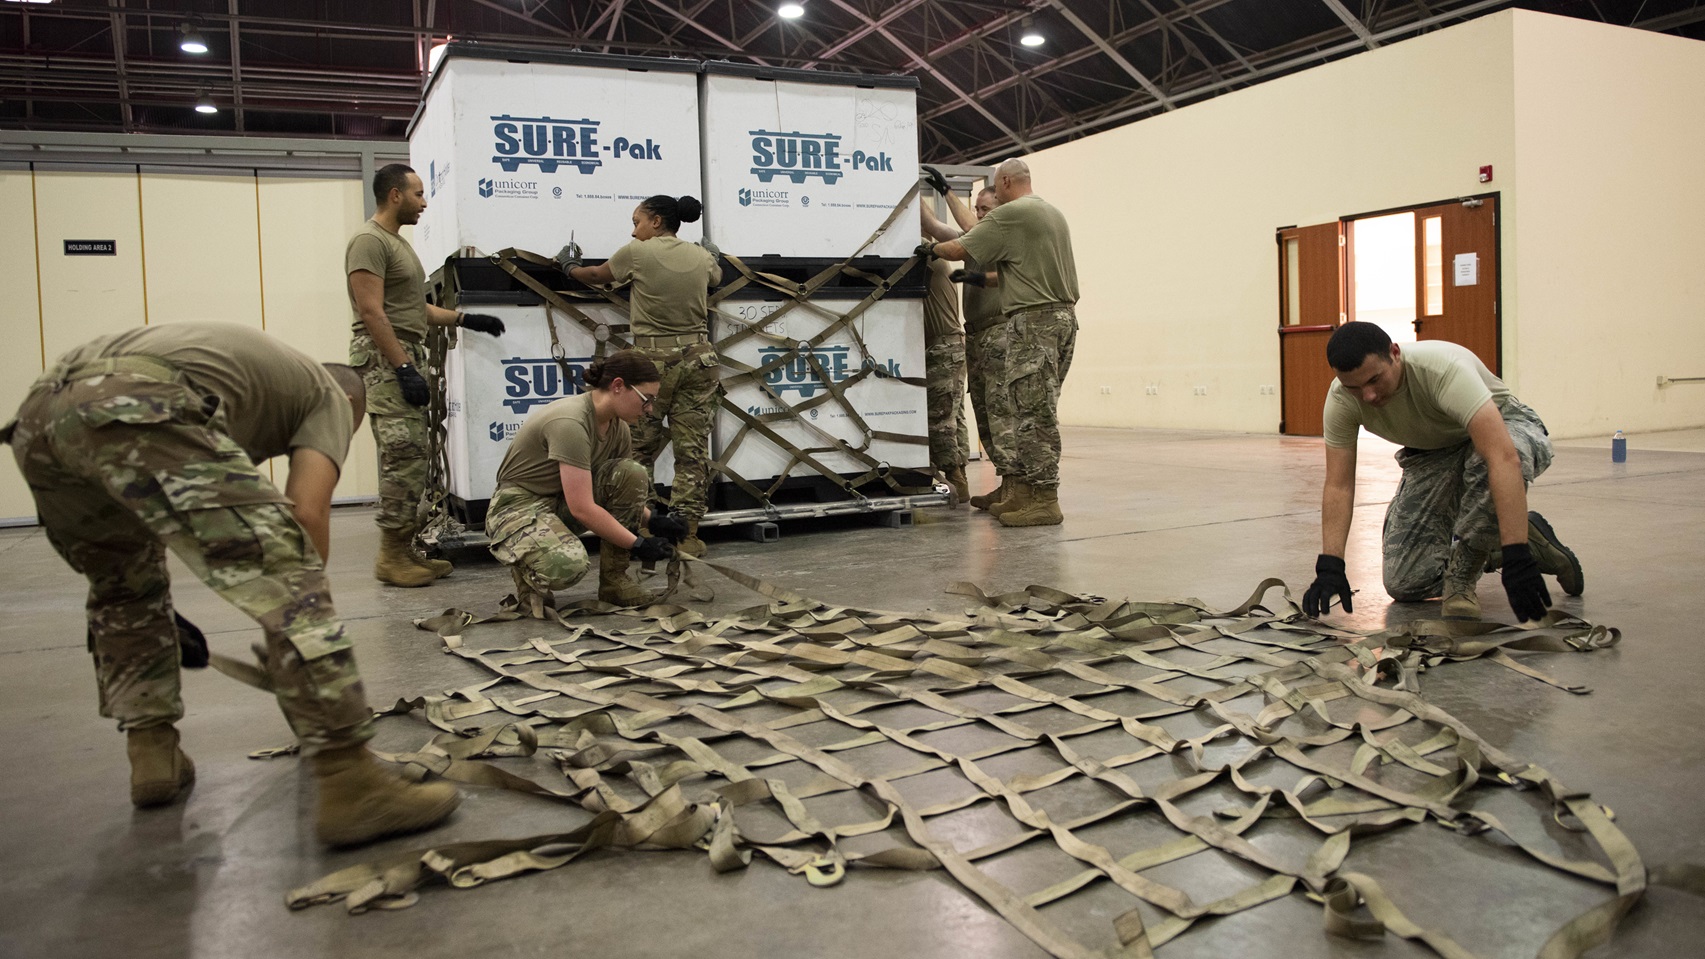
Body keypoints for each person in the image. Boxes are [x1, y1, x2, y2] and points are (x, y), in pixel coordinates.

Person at [3, 322, 460, 845]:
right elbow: (306, 519)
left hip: (37, 421)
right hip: (135, 400)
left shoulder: (251, 378)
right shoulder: (330, 397)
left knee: (125, 589)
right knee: (289, 572)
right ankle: (350, 781)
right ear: (354, 408)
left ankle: (153, 755)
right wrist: (296, 619)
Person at [1302, 322, 1585, 622]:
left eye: (1374, 379)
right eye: (1354, 387)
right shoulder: (1342, 400)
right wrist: (1331, 563)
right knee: (1405, 582)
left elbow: (1501, 457)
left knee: (1484, 462)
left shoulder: (1442, 370)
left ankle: (1463, 578)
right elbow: (1339, 485)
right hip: (1435, 450)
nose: (1368, 395)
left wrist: (1515, 555)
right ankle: (1527, 539)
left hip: (1505, 429)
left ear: (1395, 354)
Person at [347, 162, 507, 588]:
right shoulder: (369, 241)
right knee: (401, 459)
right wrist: (401, 366)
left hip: (405, 351)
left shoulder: (398, 245)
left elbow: (413, 308)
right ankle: (391, 557)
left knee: (416, 459)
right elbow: (370, 310)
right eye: (418, 194)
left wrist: (465, 319)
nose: (424, 201)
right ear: (395, 195)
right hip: (385, 358)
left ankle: (405, 550)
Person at [558, 195, 722, 557]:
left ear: (657, 222)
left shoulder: (637, 252)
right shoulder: (700, 256)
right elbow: (717, 273)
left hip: (652, 363)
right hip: (699, 357)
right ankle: (689, 534)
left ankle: (644, 526)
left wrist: (569, 265)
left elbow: (597, 276)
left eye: (637, 221)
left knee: (638, 448)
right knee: (692, 450)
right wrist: (712, 253)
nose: (634, 229)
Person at [920, 158, 1078, 527]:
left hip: (1035, 322)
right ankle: (1021, 490)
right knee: (1024, 410)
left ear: (1005, 181)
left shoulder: (1015, 213)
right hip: (1053, 318)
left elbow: (959, 245)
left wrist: (931, 251)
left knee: (1033, 414)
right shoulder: (1047, 213)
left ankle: (1044, 499)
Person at [485, 350, 684, 614]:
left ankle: (615, 582)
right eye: (646, 399)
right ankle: (528, 578)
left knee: (631, 471)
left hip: (559, 501)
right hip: (517, 507)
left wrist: (654, 520)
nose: (649, 409)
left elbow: (621, 485)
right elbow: (582, 508)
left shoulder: (617, 426)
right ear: (618, 386)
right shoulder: (571, 423)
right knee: (567, 565)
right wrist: (638, 544)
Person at [922, 177, 1009, 510]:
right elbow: (936, 225)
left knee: (993, 415)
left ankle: (1007, 484)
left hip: (994, 336)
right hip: (973, 337)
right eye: (977, 209)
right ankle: (1003, 485)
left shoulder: (997, 240)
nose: (979, 215)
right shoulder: (977, 242)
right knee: (977, 414)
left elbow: (942, 232)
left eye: (986, 209)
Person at [920, 254, 971, 502]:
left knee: (940, 419)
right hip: (951, 346)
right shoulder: (936, 259)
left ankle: (953, 480)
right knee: (954, 415)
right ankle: (960, 480)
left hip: (943, 347)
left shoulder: (927, 256)